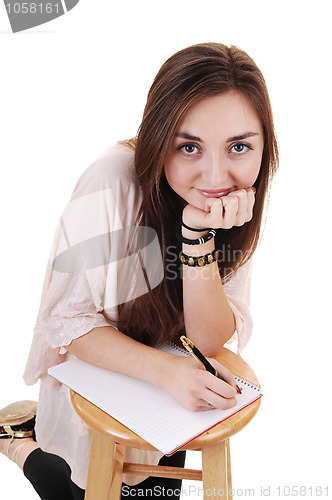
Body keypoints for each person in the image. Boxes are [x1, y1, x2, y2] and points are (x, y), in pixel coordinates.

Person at [0, 42, 278, 499]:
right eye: (189, 146)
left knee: (151, 492)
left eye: (239, 147)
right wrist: (167, 374)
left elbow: (207, 338)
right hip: (108, 385)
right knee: (73, 488)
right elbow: (65, 324)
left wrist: (197, 238)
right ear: (158, 138)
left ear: (263, 147)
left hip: (169, 398)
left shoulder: (234, 204)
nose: (215, 176)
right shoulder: (110, 181)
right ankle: (18, 444)